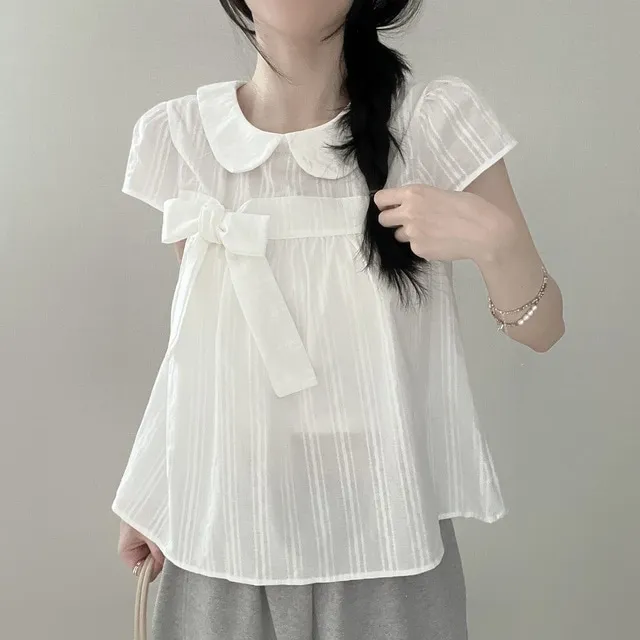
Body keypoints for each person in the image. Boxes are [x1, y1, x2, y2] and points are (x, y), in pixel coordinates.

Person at [114, 0, 565, 638]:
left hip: (389, 531)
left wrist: (497, 244)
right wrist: (151, 486)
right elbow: (198, 350)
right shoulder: (185, 137)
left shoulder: (432, 125)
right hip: (220, 529)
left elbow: (544, 329)